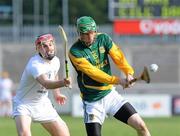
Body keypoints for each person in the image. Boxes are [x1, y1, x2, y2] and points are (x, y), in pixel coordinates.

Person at [69, 16, 151, 136]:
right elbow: (94, 73)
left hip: (110, 96)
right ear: (79, 33)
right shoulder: (75, 51)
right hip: (92, 101)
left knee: (141, 126)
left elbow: (117, 56)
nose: (90, 37)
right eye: (86, 34)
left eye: (92, 32)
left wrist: (128, 72)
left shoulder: (103, 38)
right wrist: (118, 81)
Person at [12, 33, 71, 136]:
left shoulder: (56, 61)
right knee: (25, 134)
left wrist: (57, 94)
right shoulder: (35, 64)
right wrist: (63, 83)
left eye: (50, 44)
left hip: (43, 103)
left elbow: (54, 75)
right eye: (44, 46)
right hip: (24, 104)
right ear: (38, 49)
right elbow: (46, 83)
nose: (49, 48)